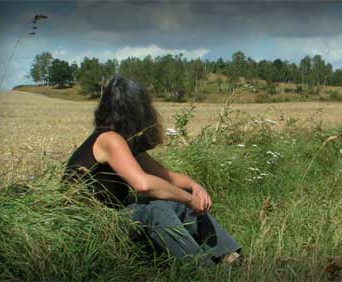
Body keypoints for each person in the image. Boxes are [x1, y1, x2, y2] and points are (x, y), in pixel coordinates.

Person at [62, 76, 241, 266]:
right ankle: (204, 270)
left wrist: (194, 187)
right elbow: (144, 185)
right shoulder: (109, 139)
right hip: (87, 225)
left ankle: (228, 256)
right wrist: (189, 198)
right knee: (156, 209)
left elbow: (166, 177)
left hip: (107, 217)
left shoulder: (124, 142)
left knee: (174, 200)